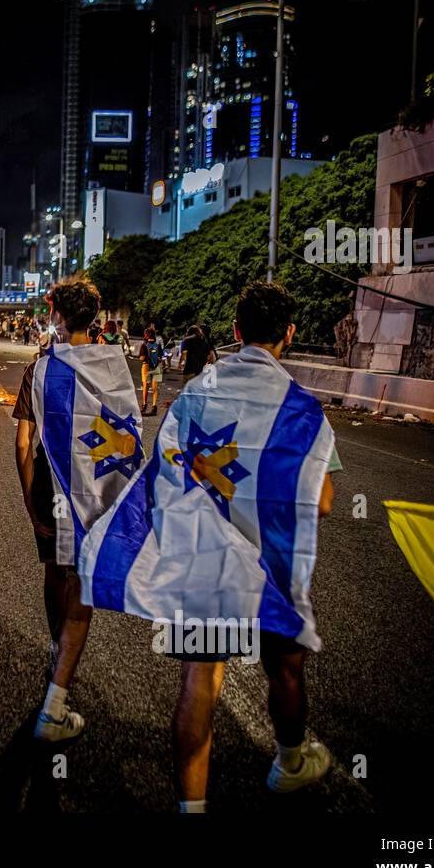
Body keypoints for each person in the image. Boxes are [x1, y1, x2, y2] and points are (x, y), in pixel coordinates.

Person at [164, 281, 340, 812]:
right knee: (285, 669)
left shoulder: (197, 391)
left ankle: (190, 806)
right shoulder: (303, 407)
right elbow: (325, 502)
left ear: (235, 332)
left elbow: (168, 471)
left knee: (200, 675)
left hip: (209, 558)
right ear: (289, 334)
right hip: (274, 562)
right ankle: (290, 762)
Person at [13, 275, 140, 742]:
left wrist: (29, 499)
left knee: (54, 566)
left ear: (57, 316)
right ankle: (60, 683)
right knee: (81, 578)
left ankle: (54, 646)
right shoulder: (117, 366)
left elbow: (23, 442)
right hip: (98, 489)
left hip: (52, 485)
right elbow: (129, 433)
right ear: (96, 318)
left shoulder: (40, 370)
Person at [138, 326, 165, 415]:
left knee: (146, 386)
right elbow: (161, 357)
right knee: (155, 388)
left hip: (147, 366)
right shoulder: (158, 345)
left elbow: (142, 358)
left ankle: (144, 405)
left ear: (146, 335)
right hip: (157, 367)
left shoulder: (144, 345)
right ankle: (154, 406)